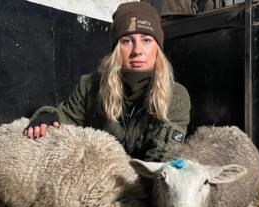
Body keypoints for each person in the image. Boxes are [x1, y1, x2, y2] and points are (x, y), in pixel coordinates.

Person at [24, 1, 191, 162]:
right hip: (96, 177)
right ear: (116, 49)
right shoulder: (89, 85)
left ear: (157, 47)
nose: (137, 51)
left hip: (142, 183)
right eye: (127, 41)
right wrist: (47, 115)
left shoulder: (175, 96)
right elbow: (67, 117)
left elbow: (162, 158)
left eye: (146, 40)